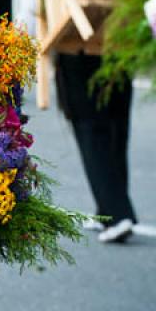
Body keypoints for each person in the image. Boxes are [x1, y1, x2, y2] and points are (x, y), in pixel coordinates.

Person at [55, 53, 137, 243]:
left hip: (79, 47)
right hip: (118, 43)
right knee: (116, 125)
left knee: (91, 129)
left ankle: (117, 215)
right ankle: (107, 210)